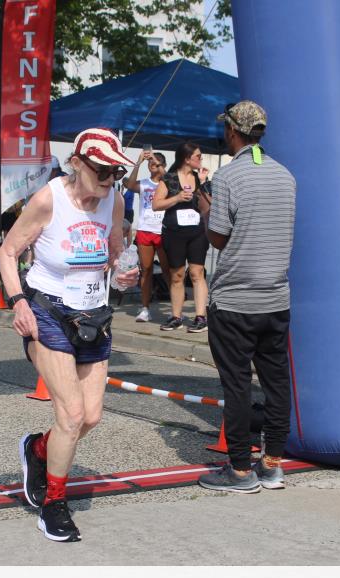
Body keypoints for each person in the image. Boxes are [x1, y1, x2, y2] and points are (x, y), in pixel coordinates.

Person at [0, 128, 138, 542]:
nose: (110, 179)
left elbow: (114, 254)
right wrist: (18, 303)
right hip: (48, 313)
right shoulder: (49, 200)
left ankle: (38, 450)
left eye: (116, 172)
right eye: (101, 170)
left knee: (90, 417)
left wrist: (123, 274)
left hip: (93, 315)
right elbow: (7, 252)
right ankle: (53, 505)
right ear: (76, 163)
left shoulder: (114, 200)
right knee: (71, 415)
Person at [197, 100, 297, 494]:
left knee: (237, 385)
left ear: (232, 131)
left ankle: (239, 469)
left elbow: (219, 238)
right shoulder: (285, 175)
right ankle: (272, 464)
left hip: (235, 300)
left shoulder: (227, 177)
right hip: (275, 297)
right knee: (277, 382)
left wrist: (206, 210)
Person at [152, 142, 211, 333]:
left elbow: (207, 205)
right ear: (187, 158)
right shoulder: (169, 178)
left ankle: (200, 317)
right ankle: (176, 317)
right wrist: (176, 198)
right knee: (177, 275)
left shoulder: (199, 178)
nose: (201, 159)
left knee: (197, 273)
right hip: (174, 233)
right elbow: (156, 205)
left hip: (197, 232)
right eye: (198, 156)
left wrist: (203, 184)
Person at [124, 150, 169, 323]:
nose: (153, 166)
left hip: (163, 230)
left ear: (163, 166)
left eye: (156, 163)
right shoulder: (143, 183)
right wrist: (139, 162)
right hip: (145, 230)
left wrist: (158, 163)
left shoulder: (168, 183)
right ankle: (145, 309)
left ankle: (175, 309)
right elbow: (129, 185)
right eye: (151, 163)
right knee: (146, 270)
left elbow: (172, 179)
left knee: (167, 270)